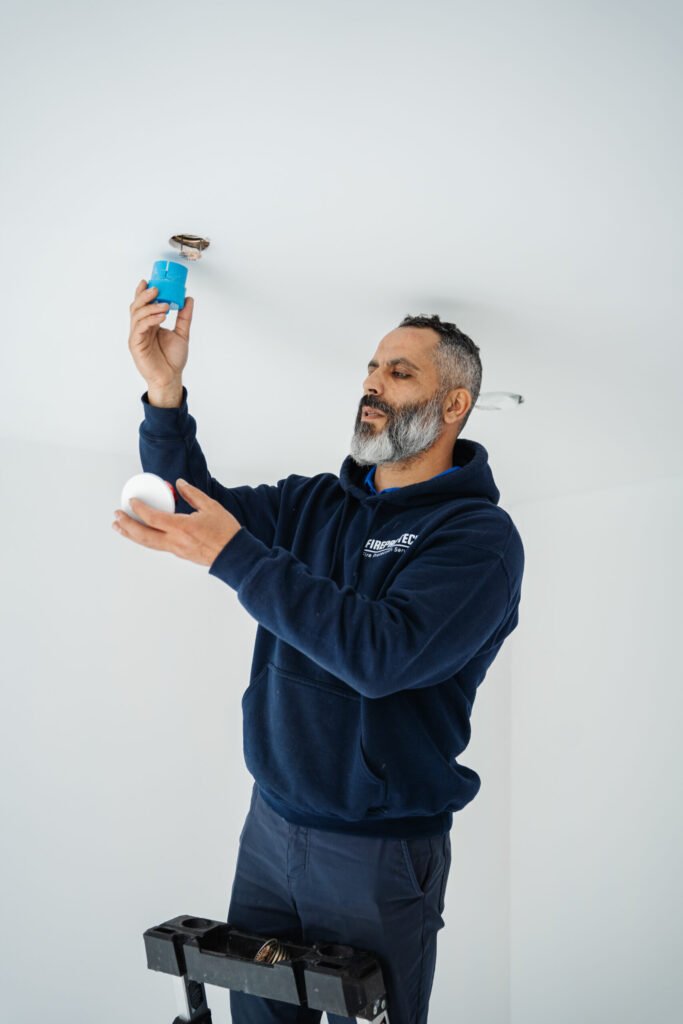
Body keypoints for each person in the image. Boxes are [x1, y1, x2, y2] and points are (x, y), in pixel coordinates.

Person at [127, 281, 525, 1023]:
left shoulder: (476, 539)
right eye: (371, 369)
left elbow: (382, 657)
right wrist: (163, 393)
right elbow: (189, 507)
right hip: (270, 828)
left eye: (399, 372)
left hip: (376, 853)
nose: (372, 385)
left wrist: (240, 559)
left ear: (453, 406)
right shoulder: (315, 504)